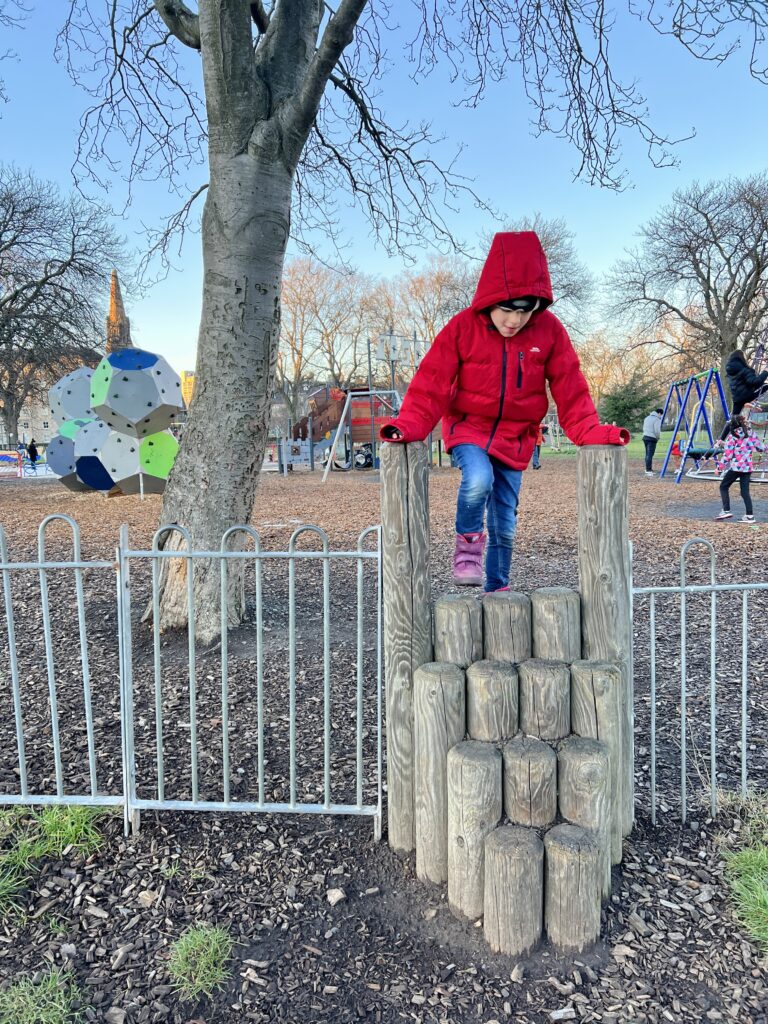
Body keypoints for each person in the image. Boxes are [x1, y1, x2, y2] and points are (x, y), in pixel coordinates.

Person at [379, 231, 630, 592]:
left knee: (505, 521)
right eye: (507, 311)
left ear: (536, 308)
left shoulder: (549, 332)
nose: (514, 321)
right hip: (469, 428)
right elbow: (431, 382)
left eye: (524, 312)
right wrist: (409, 424)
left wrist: (591, 431)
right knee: (478, 479)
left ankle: (497, 588)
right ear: (490, 302)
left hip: (516, 436)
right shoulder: (462, 328)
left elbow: (570, 387)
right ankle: (467, 549)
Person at [714, 414, 765, 523]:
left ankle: (726, 510)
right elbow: (761, 447)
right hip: (747, 468)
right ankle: (749, 516)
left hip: (736, 467)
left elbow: (727, 455)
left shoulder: (732, 436)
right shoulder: (751, 433)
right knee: (744, 492)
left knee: (724, 486)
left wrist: (719, 468)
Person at [725, 350, 768, 416]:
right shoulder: (744, 370)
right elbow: (755, 382)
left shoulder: (731, 370)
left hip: (737, 399)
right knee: (766, 386)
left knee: (734, 418)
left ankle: (733, 423)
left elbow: (744, 383)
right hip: (747, 395)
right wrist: (765, 371)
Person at [641, 408, 663, 476]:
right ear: (659, 413)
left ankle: (648, 468)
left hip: (645, 437)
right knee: (650, 454)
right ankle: (648, 470)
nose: (661, 416)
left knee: (647, 454)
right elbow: (657, 430)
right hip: (652, 438)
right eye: (661, 415)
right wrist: (658, 437)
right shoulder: (657, 419)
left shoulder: (647, 418)